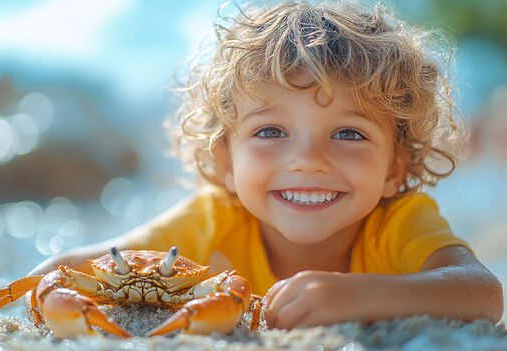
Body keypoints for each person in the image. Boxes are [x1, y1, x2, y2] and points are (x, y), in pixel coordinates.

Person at [30, 0, 503, 329]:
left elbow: (483, 292)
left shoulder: (398, 223)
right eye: (271, 132)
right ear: (226, 161)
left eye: (349, 133)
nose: (308, 161)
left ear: (395, 168)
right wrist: (56, 286)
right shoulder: (212, 219)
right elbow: (68, 269)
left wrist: (363, 295)